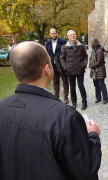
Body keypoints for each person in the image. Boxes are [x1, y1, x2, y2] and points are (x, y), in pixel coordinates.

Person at [0, 41, 101, 180]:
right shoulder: (65, 117)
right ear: (48, 69)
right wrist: (93, 135)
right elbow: (87, 168)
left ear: (14, 70)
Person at [60, 30, 88, 110]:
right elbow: (62, 58)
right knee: (72, 87)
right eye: (71, 35)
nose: (73, 36)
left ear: (76, 36)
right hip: (70, 70)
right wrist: (65, 67)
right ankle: (74, 102)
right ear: (68, 37)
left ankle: (84, 102)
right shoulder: (64, 47)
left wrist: (84, 65)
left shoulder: (81, 46)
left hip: (80, 70)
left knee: (81, 86)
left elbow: (85, 56)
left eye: (74, 34)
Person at [45, 28, 69, 104]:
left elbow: (67, 54)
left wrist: (66, 64)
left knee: (65, 81)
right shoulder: (47, 43)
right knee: (55, 82)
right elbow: (47, 55)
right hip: (53, 66)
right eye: (51, 33)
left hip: (62, 65)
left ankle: (65, 97)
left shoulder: (63, 42)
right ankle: (56, 98)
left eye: (54, 33)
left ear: (57, 33)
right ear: (49, 34)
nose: (53, 35)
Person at [89, 38, 108, 105]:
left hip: (100, 70)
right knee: (96, 85)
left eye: (91, 42)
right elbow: (91, 59)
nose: (90, 43)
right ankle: (98, 97)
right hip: (94, 71)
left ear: (94, 43)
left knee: (101, 85)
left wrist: (92, 66)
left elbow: (99, 62)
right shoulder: (94, 50)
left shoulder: (100, 50)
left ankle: (105, 98)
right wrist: (90, 65)